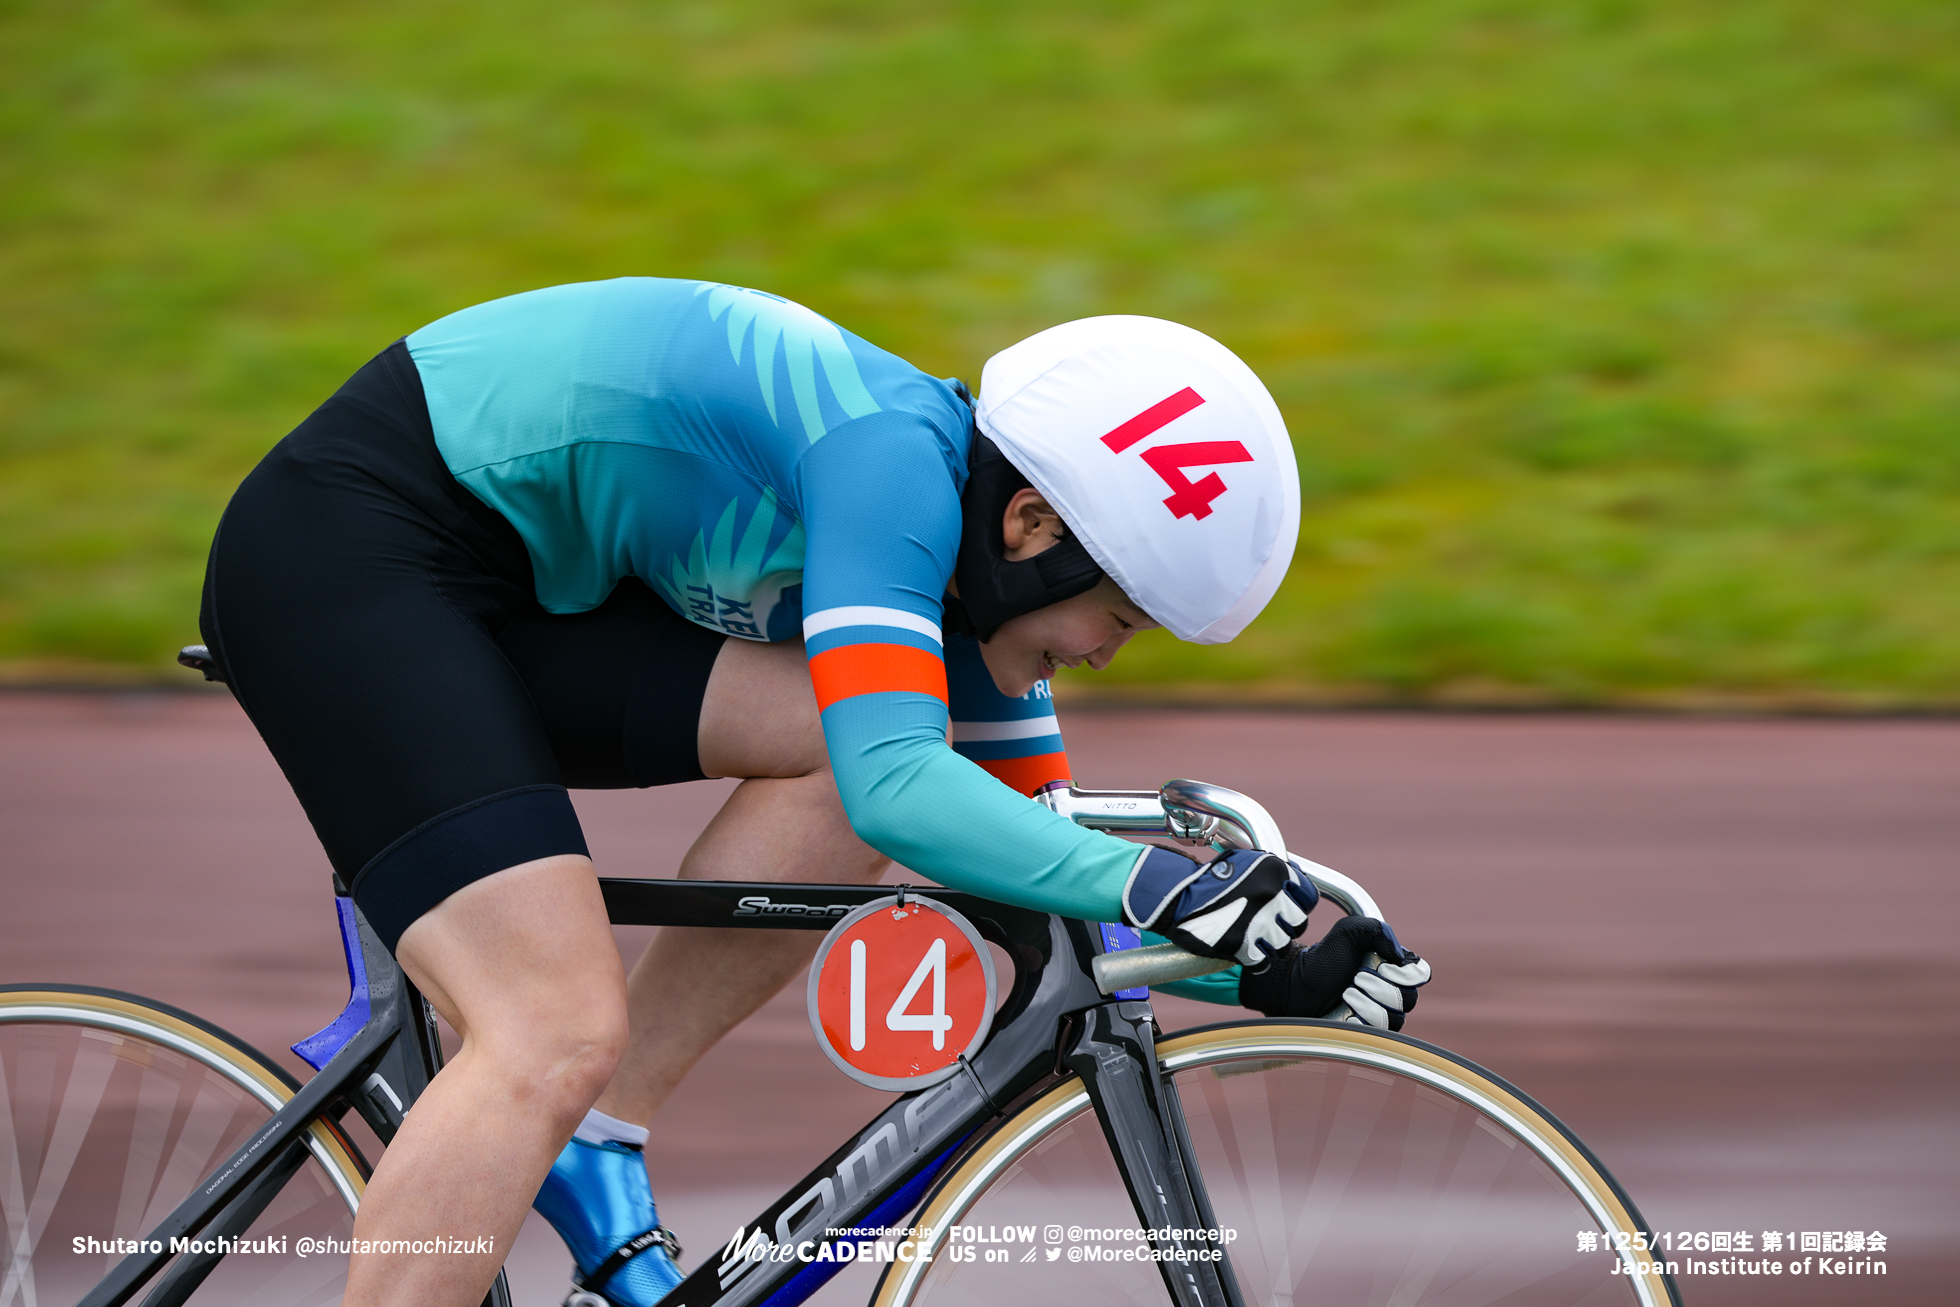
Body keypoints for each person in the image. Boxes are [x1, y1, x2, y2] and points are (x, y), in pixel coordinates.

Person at [198, 278, 1430, 1307]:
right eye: (1114, 616)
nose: (1108, 654)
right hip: (350, 555)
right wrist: (1165, 876)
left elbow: (1051, 877)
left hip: (514, 595)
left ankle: (591, 1129)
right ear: (1031, 523)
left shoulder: (956, 571)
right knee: (545, 1023)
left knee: (877, 745)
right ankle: (548, 1085)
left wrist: (1255, 964)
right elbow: (900, 791)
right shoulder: (889, 463)